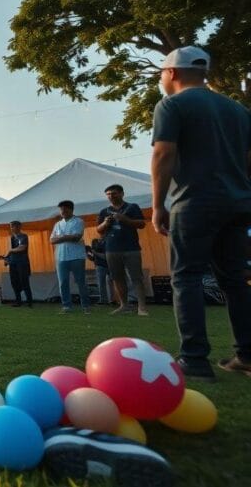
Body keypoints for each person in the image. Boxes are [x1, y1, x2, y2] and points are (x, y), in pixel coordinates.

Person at [151, 46, 251, 380]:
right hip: (239, 203)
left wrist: (157, 206)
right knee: (236, 280)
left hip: (194, 201)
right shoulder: (237, 109)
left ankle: (194, 360)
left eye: (162, 74)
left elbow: (164, 154)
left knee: (187, 277)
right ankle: (246, 355)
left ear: (172, 73)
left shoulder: (172, 105)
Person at [97, 184, 150, 316]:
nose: (111, 196)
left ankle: (142, 307)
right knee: (117, 278)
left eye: (114, 193)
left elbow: (142, 224)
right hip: (111, 249)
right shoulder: (104, 211)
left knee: (136, 277)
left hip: (131, 248)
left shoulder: (132, 207)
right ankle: (124, 305)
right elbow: (99, 230)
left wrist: (124, 219)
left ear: (122, 194)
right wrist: (105, 223)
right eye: (108, 194)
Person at [51, 200, 90, 314]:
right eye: (61, 209)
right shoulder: (57, 224)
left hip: (76, 256)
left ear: (71, 209)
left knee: (80, 281)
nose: (62, 211)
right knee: (63, 282)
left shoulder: (78, 221)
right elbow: (52, 240)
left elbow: (77, 237)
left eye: (64, 209)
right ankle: (66, 306)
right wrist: (67, 237)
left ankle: (86, 305)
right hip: (61, 257)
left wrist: (61, 237)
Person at [4, 220, 33, 307]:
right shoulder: (12, 238)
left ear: (19, 227)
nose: (12, 228)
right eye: (11, 226)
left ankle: (29, 302)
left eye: (14, 226)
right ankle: (18, 301)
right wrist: (7, 259)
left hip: (22, 263)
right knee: (14, 282)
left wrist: (9, 251)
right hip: (13, 263)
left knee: (24, 282)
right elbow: (11, 250)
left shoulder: (23, 236)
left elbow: (22, 248)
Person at [85, 238, 112, 306]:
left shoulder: (106, 243)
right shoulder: (96, 243)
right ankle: (106, 299)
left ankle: (107, 300)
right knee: (103, 284)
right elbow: (93, 258)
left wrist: (94, 253)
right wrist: (89, 254)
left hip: (105, 266)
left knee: (105, 284)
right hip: (101, 265)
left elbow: (105, 256)